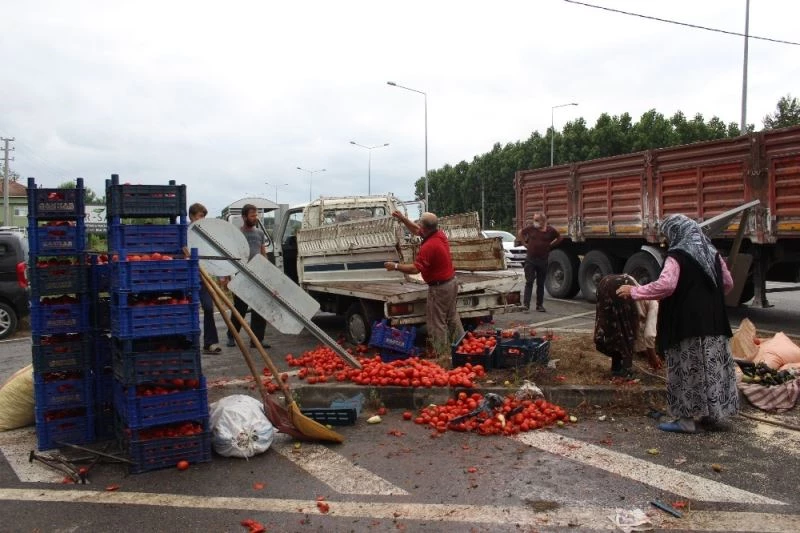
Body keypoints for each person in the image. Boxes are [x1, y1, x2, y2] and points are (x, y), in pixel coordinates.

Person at [616, 214, 738, 434]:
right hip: (715, 324)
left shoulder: (677, 255)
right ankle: (713, 416)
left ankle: (686, 421)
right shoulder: (712, 253)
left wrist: (634, 291)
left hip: (687, 324)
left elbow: (667, 286)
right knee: (712, 369)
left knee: (687, 370)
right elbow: (727, 283)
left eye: (668, 233)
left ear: (676, 233)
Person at [384, 211, 465, 354]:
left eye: (420, 222)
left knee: (436, 322)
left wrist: (395, 266)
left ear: (425, 227)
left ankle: (443, 354)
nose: (419, 225)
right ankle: (462, 347)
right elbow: (416, 230)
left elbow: (415, 269)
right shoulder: (439, 235)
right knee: (452, 316)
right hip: (451, 282)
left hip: (440, 288)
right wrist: (403, 219)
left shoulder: (429, 246)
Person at [594, 274, 662, 377]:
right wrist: (653, 358)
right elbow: (649, 335)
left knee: (612, 327)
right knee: (625, 333)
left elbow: (640, 336)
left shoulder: (644, 297)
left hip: (605, 282)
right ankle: (624, 371)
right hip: (623, 286)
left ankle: (616, 369)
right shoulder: (655, 304)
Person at [226, 204, 271, 349]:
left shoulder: (259, 233)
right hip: (242, 275)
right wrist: (226, 274)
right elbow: (230, 255)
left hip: (258, 275)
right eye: (252, 216)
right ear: (244, 217)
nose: (255, 218)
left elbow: (263, 253)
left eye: (256, 215)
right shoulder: (237, 234)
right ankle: (232, 336)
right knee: (240, 308)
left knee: (260, 308)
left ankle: (257, 339)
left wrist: (268, 271)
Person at [188, 203, 221, 354]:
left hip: (203, 277)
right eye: (200, 216)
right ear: (191, 216)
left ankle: (210, 342)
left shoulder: (204, 234)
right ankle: (189, 343)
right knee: (189, 310)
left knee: (208, 307)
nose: (202, 220)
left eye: (204, 217)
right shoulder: (184, 233)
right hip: (188, 278)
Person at [517, 212, 562, 312]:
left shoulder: (550, 230)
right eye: (534, 220)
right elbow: (521, 232)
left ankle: (539, 305)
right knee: (529, 282)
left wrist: (551, 245)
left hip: (543, 260)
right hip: (530, 260)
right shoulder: (531, 228)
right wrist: (524, 243)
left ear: (543, 221)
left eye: (537, 220)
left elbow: (559, 237)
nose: (535, 222)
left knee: (541, 283)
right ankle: (526, 305)